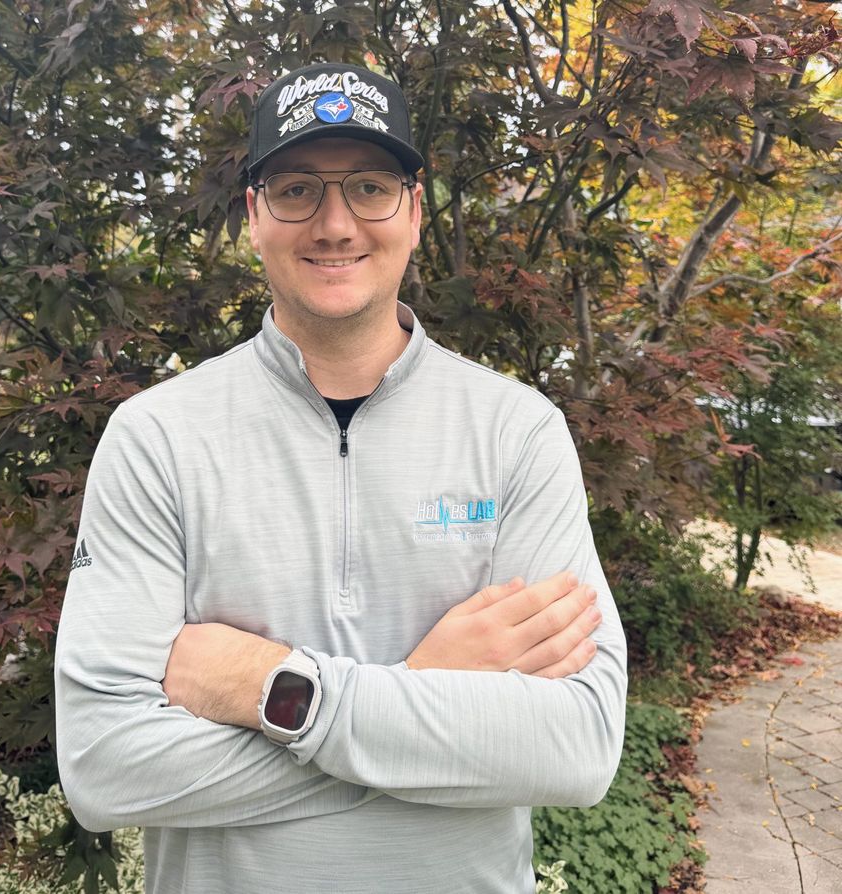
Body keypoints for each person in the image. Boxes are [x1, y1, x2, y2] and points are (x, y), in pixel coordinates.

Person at [55, 62, 627, 894]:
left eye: (369, 186)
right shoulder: (158, 438)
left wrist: (271, 689)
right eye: (295, 189)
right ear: (254, 214)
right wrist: (426, 694)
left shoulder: (517, 433)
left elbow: (574, 749)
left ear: (415, 210)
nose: (334, 224)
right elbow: (107, 769)